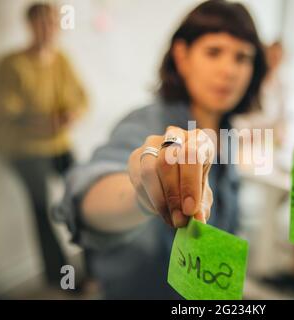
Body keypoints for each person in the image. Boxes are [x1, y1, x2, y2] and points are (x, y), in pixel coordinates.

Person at [54, 0, 267, 299]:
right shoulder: (148, 124)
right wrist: (142, 194)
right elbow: (88, 197)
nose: (229, 70)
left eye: (243, 57)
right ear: (182, 56)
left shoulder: (228, 131)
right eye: (214, 52)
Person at [0, 3, 88, 287]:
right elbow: (6, 109)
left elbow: (81, 98)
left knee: (84, 194)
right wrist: (41, 121)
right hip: (24, 149)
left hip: (58, 143)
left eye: (52, 22)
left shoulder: (61, 59)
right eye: (41, 23)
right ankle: (61, 279)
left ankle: (96, 264)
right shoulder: (12, 63)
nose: (48, 29)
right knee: (42, 209)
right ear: (30, 25)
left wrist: (70, 115)